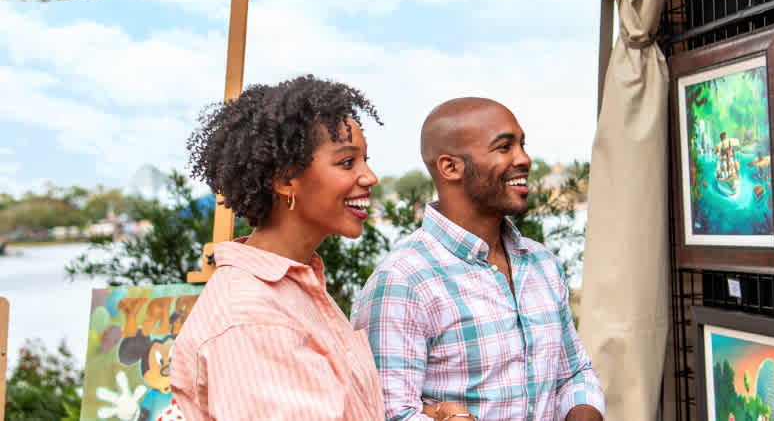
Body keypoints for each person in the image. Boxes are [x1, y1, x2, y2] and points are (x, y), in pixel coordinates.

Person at [352, 98, 605, 421]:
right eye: (504, 147)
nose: (524, 159)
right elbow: (388, 413)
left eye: (522, 144)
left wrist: (583, 410)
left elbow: (574, 373)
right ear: (450, 167)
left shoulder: (543, 263)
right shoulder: (403, 281)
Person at [170, 75, 385, 420]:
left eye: (365, 160)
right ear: (286, 180)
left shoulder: (296, 287)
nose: (370, 176)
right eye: (347, 162)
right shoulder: (252, 318)